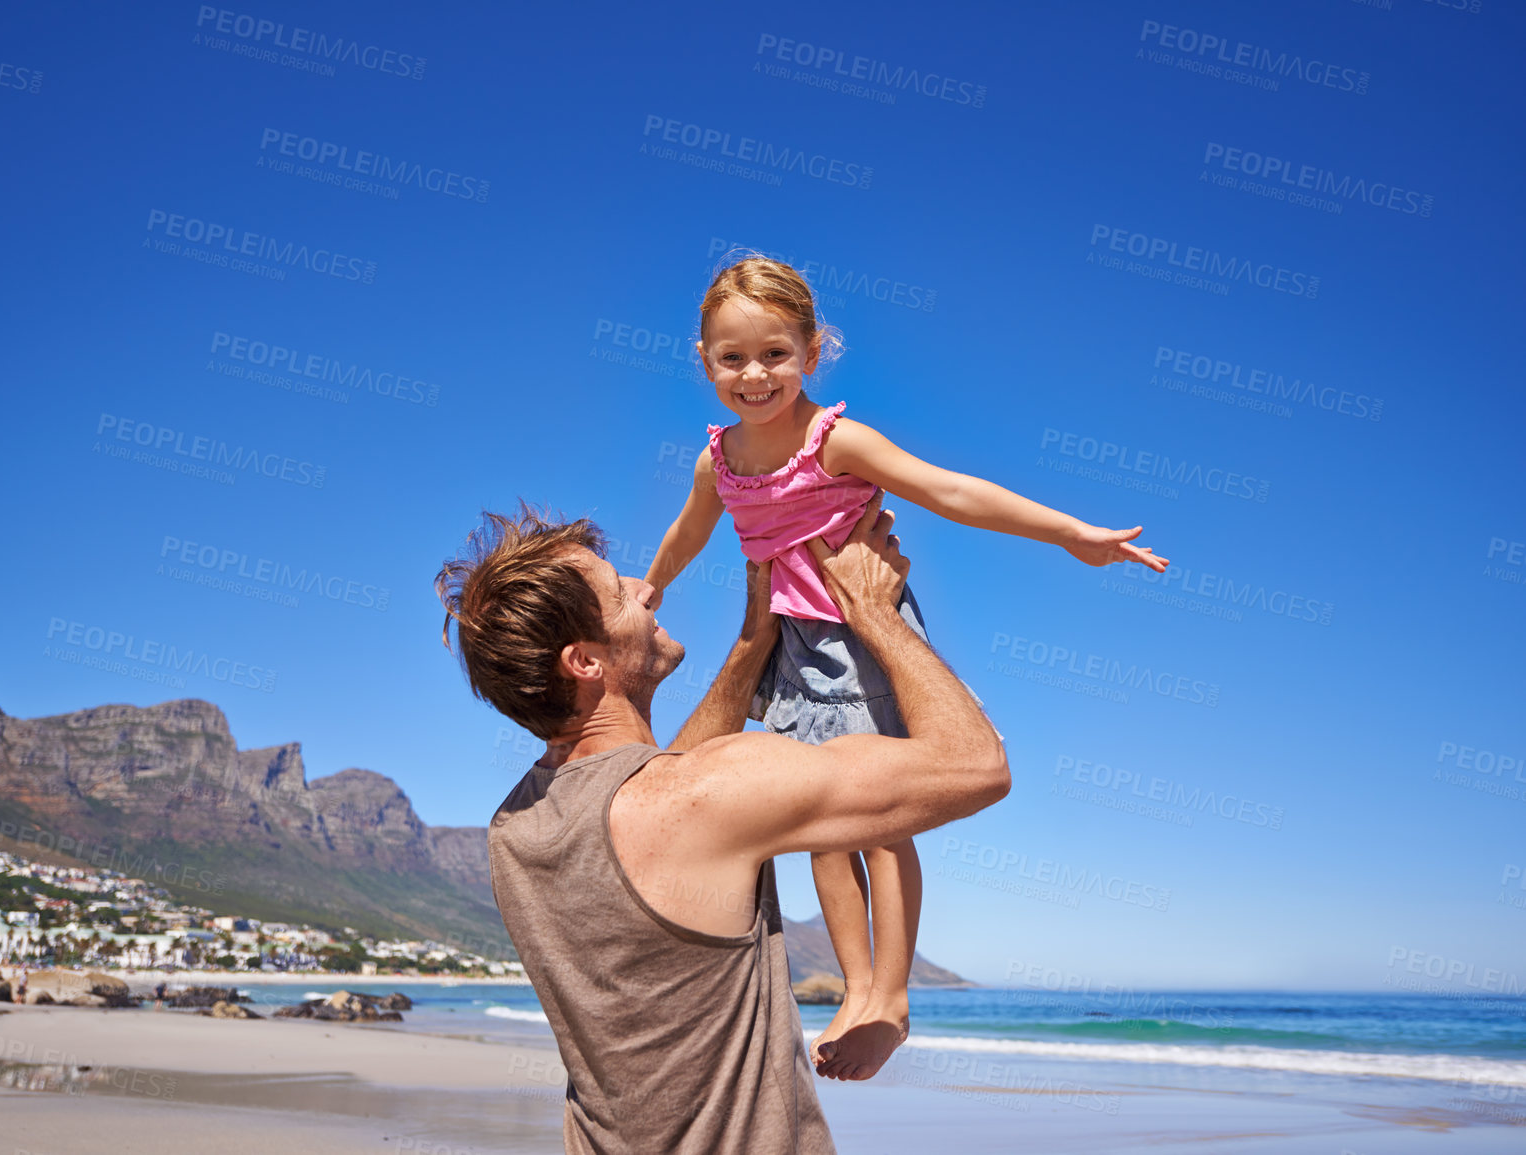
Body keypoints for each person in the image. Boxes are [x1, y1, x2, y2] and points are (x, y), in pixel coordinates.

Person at [643, 254, 1170, 1079]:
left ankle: (891, 989)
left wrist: (1070, 534)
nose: (755, 374)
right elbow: (688, 530)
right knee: (815, 823)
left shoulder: (836, 440)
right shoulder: (719, 460)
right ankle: (857, 988)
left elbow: (946, 490)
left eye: (776, 353)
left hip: (866, 636)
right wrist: (652, 584)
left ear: (813, 353)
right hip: (791, 649)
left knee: (883, 821)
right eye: (732, 356)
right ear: (702, 360)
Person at [437, 492, 1010, 1153]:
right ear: (585, 661)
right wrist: (874, 611)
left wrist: (752, 641)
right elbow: (976, 766)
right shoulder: (700, 796)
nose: (643, 589)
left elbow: (659, 783)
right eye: (616, 593)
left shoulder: (516, 828)